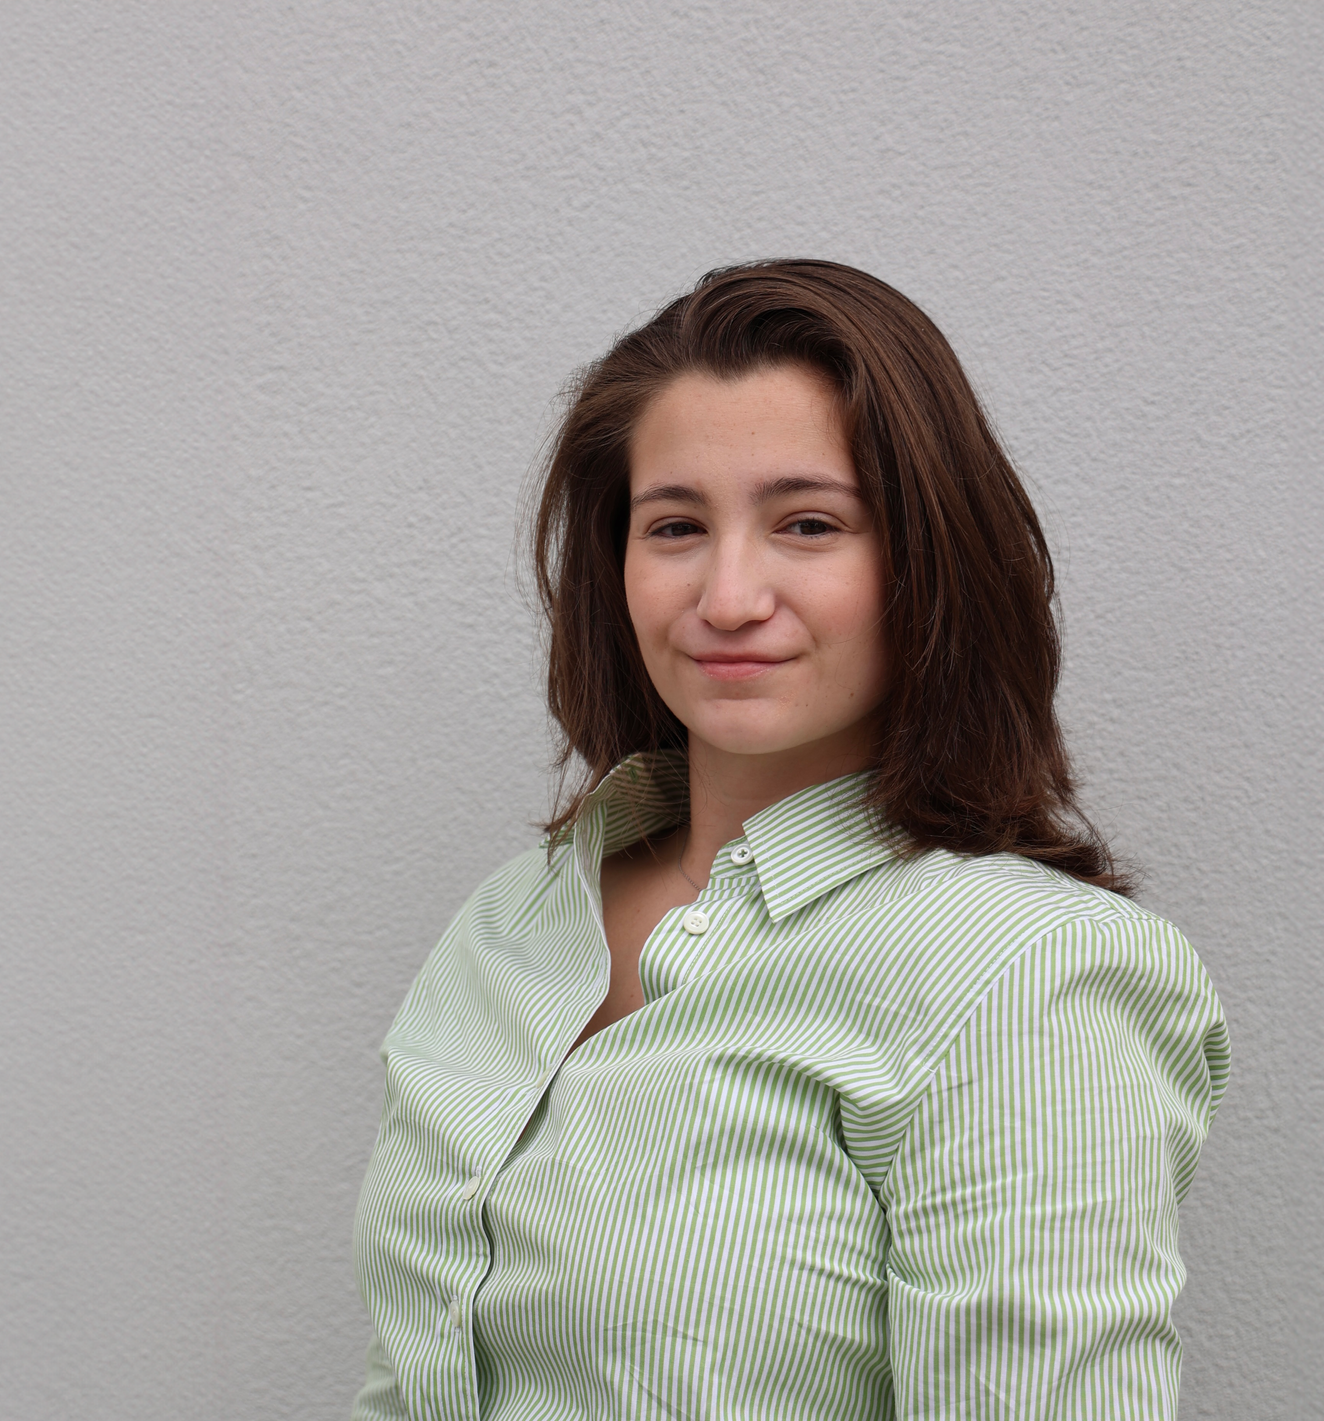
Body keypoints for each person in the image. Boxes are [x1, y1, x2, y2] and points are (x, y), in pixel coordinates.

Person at [349, 259, 1230, 1417]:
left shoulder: (1023, 971)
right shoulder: (513, 922)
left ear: (926, 562)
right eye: (675, 525)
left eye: (806, 523)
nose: (726, 594)